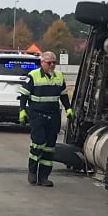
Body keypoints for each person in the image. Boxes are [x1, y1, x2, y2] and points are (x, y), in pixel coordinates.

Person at [18, 51, 71, 187]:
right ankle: (32, 172)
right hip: (37, 114)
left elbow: (63, 95)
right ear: (42, 63)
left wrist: (68, 109)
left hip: (53, 116)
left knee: (49, 147)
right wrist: (22, 110)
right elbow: (24, 95)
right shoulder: (33, 76)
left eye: (54, 62)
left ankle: (44, 177)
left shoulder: (59, 77)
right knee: (38, 143)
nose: (52, 65)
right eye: (49, 63)